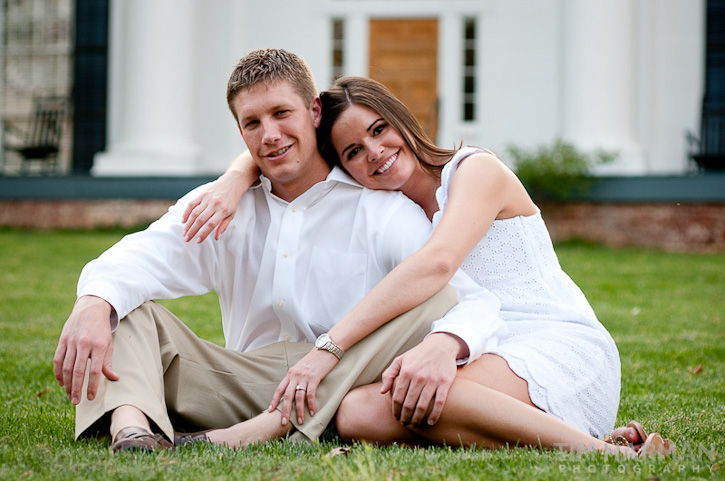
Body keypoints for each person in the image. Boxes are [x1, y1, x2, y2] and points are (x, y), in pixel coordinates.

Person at [183, 76, 676, 457]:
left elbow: (438, 265)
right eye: (353, 151)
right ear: (342, 166)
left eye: (380, 130)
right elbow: (284, 148)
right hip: (479, 347)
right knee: (357, 410)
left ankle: (602, 454)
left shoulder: (474, 170)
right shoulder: (386, 214)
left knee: (398, 398)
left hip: (552, 343)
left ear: (402, 119)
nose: (374, 153)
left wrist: (328, 349)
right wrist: (236, 174)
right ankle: (565, 433)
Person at [52, 50, 502, 453]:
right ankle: (133, 431)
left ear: (313, 111)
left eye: (281, 113)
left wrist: (446, 345)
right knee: (120, 302)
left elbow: (469, 300)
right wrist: (92, 303)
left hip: (342, 379)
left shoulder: (381, 211)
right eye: (252, 123)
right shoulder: (221, 206)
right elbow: (142, 256)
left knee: (436, 298)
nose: (269, 135)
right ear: (241, 132)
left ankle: (267, 427)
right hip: (238, 381)